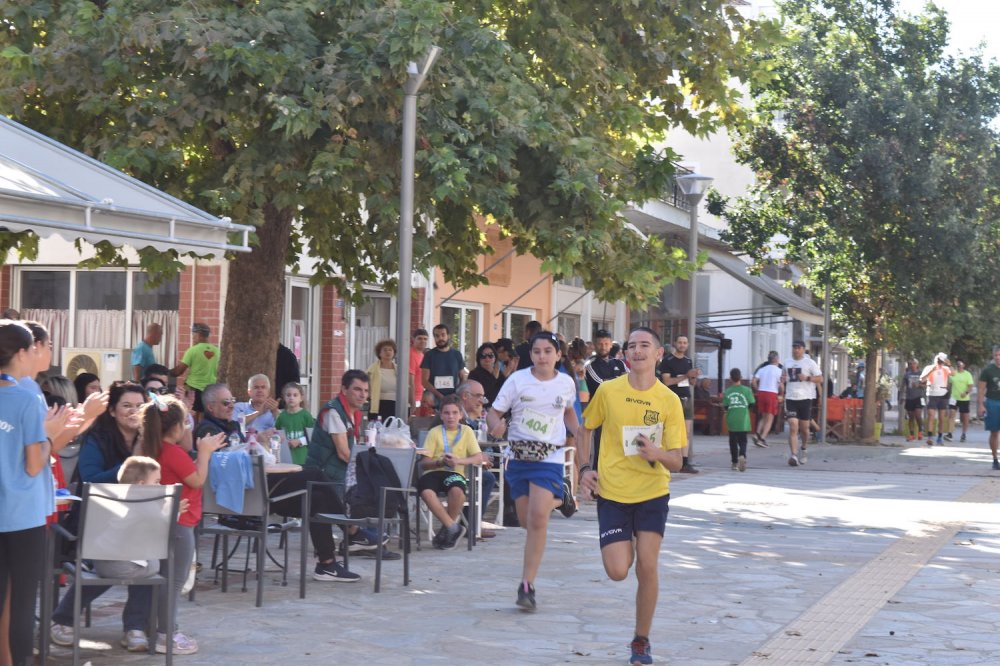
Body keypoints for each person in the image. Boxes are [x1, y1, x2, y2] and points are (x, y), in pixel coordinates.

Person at [577, 327, 685, 666]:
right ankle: (629, 543)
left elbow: (678, 460)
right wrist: (583, 469)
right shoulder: (608, 391)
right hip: (613, 493)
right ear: (626, 354)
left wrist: (657, 452)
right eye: (632, 346)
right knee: (618, 570)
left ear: (658, 354)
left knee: (648, 565)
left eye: (645, 345)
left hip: (652, 493)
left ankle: (641, 641)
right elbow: (585, 428)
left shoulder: (669, 400)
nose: (637, 351)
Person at [199, 383, 368, 579]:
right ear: (211, 407)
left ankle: (327, 564)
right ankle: (352, 531)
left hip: (258, 490)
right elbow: (228, 465)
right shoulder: (208, 432)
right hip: (243, 499)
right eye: (226, 402)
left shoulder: (232, 426)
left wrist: (259, 440)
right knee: (314, 476)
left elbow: (244, 454)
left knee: (317, 496)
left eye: (233, 401)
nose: (231, 406)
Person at [487, 331, 578, 611]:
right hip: (518, 456)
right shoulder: (517, 380)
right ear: (531, 355)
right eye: (537, 351)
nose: (542, 356)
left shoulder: (566, 383)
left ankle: (527, 585)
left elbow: (569, 413)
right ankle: (561, 495)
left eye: (548, 351)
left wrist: (578, 435)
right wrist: (495, 426)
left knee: (538, 519)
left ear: (558, 355)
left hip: (549, 456)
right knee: (528, 522)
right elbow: (494, 413)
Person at [51, 457, 174, 653]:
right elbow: (163, 526)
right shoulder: (149, 503)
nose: (160, 486)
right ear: (142, 485)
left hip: (102, 558)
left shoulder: (111, 498)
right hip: (128, 562)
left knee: (107, 571)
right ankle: (135, 628)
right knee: (149, 570)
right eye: (157, 482)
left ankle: (63, 620)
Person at [140, 393, 224, 655]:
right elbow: (197, 480)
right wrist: (205, 453)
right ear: (175, 427)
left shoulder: (151, 449)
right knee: (174, 582)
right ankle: (167, 634)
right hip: (179, 524)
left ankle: (161, 630)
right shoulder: (173, 452)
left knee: (166, 580)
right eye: (185, 423)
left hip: (163, 522)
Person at [0, 320, 51, 665]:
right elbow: (34, 464)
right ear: (21, 352)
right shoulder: (26, 399)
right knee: (21, 604)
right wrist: (51, 437)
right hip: (22, 517)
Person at [304, 371, 392, 560]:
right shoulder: (334, 412)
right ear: (344, 389)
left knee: (373, 486)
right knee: (370, 489)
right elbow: (344, 453)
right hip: (322, 475)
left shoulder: (352, 413)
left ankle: (359, 537)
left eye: (366, 391)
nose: (363, 395)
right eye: (357, 389)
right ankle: (356, 536)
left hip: (336, 472)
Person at [418, 396, 485, 549]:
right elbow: (424, 463)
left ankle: (447, 529)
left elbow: (478, 457)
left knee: (457, 491)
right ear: (441, 415)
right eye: (447, 413)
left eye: (455, 413)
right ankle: (453, 527)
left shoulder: (467, 431)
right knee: (426, 491)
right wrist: (440, 462)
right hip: (435, 470)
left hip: (455, 472)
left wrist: (458, 461)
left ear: (461, 415)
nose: (451, 417)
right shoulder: (434, 432)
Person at [455, 381, 498, 533]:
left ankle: (469, 523)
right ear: (465, 396)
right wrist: (479, 458)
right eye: (478, 396)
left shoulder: (469, 416)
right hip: (451, 467)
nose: (482, 401)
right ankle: (470, 524)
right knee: (487, 478)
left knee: (498, 470)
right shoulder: (454, 413)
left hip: (463, 463)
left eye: (483, 397)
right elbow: (455, 445)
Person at [584, 329, 628, 471]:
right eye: (600, 344)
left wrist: (616, 382)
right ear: (595, 345)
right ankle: (597, 476)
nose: (603, 347)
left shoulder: (619, 363)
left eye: (606, 343)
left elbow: (629, 381)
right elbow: (601, 384)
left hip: (619, 411)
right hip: (599, 412)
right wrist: (617, 381)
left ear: (611, 345)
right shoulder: (590, 365)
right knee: (599, 445)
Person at [658, 335, 699, 473]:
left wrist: (693, 377)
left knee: (686, 431)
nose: (682, 345)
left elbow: (691, 383)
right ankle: (667, 459)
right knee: (668, 430)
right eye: (680, 342)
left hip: (686, 397)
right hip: (671, 399)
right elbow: (667, 381)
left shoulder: (688, 361)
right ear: (675, 343)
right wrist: (687, 375)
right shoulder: (668, 360)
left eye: (685, 343)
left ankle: (684, 461)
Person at [784, 341, 822, 466]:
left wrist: (807, 378)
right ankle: (794, 455)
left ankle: (804, 448)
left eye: (799, 348)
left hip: (806, 398)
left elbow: (820, 378)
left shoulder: (809, 363)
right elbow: (783, 377)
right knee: (793, 426)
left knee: (804, 429)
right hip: (790, 398)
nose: (796, 350)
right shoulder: (787, 362)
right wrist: (782, 380)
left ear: (804, 349)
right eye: (794, 348)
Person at [169, 322, 220, 415]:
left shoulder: (192, 350)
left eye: (193, 334)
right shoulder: (217, 351)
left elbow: (179, 371)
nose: (192, 337)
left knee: (191, 414)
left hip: (193, 389)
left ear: (198, 334)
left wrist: (166, 372)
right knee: (205, 414)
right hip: (210, 389)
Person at [420, 323, 467, 410]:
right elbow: (424, 381)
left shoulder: (457, 354)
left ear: (448, 336)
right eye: (437, 336)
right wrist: (440, 395)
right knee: (427, 398)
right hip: (434, 395)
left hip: (453, 394)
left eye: (443, 335)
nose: (440, 338)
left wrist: (457, 393)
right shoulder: (429, 355)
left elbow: (463, 378)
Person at [274, 382, 315, 465]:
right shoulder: (282, 416)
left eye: (295, 395)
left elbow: (313, 436)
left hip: (303, 458)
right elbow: (277, 433)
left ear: (301, 398)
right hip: (286, 458)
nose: (291, 398)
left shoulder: (306, 415)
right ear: (284, 398)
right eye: (288, 395)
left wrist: (299, 441)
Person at [723, 368, 755, 472]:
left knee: (733, 442)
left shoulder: (727, 391)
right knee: (743, 441)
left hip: (732, 419)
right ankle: (742, 455)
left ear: (730, 378)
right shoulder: (747, 390)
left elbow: (725, 406)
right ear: (740, 377)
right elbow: (752, 403)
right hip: (743, 420)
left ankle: (734, 462)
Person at [751, 351, 784, 448]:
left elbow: (753, 381)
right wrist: (781, 394)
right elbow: (781, 385)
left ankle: (756, 434)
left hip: (761, 393)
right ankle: (762, 438)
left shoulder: (762, 369)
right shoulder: (779, 371)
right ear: (777, 359)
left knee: (763, 416)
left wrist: (757, 390)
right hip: (772, 393)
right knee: (770, 418)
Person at [366, 339, 403, 421]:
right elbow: (366, 385)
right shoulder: (372, 369)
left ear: (394, 353)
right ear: (379, 353)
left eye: (390, 350)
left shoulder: (399, 369)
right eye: (385, 350)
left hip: (395, 404)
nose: (388, 352)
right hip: (378, 403)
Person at [920, 353, 952, 446]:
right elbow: (922, 379)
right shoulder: (928, 367)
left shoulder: (946, 369)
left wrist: (949, 365)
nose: (940, 364)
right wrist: (931, 371)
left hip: (943, 393)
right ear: (935, 360)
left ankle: (940, 437)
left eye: (942, 362)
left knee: (941, 418)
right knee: (931, 416)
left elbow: (953, 373)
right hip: (932, 393)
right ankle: (930, 437)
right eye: (939, 361)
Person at [977, 345, 1000, 470]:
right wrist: (980, 405)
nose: (998, 358)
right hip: (993, 402)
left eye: (999, 355)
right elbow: (981, 389)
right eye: (995, 355)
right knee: (994, 432)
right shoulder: (988, 370)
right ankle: (995, 459)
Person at [950, 360, 974, 442]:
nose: (959, 365)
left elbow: (970, 386)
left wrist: (966, 392)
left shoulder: (967, 374)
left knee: (964, 417)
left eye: (961, 364)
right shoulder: (953, 373)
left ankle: (963, 434)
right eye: (958, 364)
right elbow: (949, 384)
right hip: (954, 398)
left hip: (964, 398)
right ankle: (950, 433)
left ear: (964, 365)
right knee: (951, 414)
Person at [902, 358, 925, 441]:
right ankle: (911, 434)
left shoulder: (921, 373)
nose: (913, 365)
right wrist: (902, 397)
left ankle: (920, 432)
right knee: (911, 417)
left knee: (918, 415)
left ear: (917, 364)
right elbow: (903, 386)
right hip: (909, 397)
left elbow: (926, 385)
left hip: (919, 397)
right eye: (911, 363)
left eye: (914, 363)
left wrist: (919, 385)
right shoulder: (907, 374)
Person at [408, 329, 429, 413]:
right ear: (413, 339)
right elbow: (410, 382)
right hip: (414, 400)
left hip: (421, 398)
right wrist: (413, 403)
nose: (422, 341)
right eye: (419, 338)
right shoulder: (411, 355)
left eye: (425, 339)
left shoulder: (422, 355)